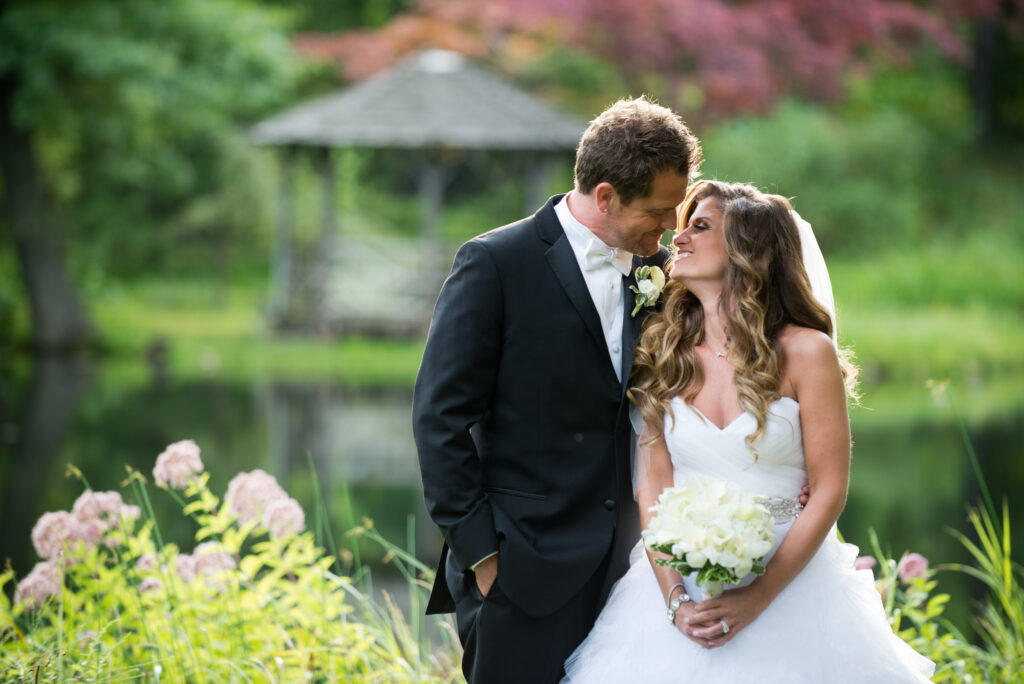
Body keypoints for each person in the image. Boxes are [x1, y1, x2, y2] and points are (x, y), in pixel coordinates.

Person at [561, 180, 936, 682]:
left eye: (700, 226)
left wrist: (758, 597)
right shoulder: (663, 350)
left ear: (748, 251)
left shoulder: (807, 353)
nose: (679, 239)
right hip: (672, 591)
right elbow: (653, 481)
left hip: (793, 587)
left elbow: (828, 489)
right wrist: (673, 597)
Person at [412, 96, 702, 683]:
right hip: (524, 568)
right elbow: (439, 420)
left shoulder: (665, 272)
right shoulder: (496, 263)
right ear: (605, 196)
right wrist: (485, 557)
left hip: (632, 573)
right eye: (659, 209)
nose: (672, 227)